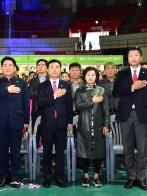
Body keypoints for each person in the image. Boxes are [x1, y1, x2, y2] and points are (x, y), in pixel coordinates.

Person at [112, 46, 147, 191]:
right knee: (128, 149)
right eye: (130, 55)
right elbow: (115, 91)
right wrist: (133, 86)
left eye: (136, 55)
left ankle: (141, 178)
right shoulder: (122, 73)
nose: (133, 57)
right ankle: (131, 177)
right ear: (128, 58)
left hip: (143, 115)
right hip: (126, 115)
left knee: (142, 148)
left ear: (141, 57)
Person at [0, 56, 29, 188]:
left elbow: (26, 103)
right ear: (1, 68)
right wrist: (6, 90)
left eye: (10, 65)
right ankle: (4, 176)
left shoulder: (22, 82)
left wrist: (26, 121)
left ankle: (15, 177)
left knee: (16, 151)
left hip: (17, 120)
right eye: (5, 65)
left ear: (15, 68)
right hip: (1, 121)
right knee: (3, 150)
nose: (7, 67)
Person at [37, 59, 72, 188]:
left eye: (57, 67)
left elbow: (69, 104)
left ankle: (59, 177)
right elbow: (40, 102)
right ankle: (47, 177)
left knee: (59, 152)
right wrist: (54, 95)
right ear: (47, 69)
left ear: (60, 69)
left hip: (62, 123)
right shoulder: (43, 85)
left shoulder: (66, 85)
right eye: (51, 67)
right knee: (46, 151)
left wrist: (69, 121)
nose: (54, 69)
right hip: (47, 123)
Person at [76, 66, 109, 188]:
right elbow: (78, 106)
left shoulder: (102, 90)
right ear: (84, 77)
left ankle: (96, 176)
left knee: (98, 152)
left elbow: (106, 110)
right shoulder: (80, 91)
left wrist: (106, 125)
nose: (90, 77)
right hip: (84, 126)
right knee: (84, 151)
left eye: (93, 74)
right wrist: (92, 101)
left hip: (99, 126)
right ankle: (85, 176)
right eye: (88, 74)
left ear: (97, 77)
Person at [29, 59, 49, 149]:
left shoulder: (51, 79)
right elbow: (30, 94)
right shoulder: (33, 81)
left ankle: (48, 155)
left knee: (48, 134)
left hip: (49, 109)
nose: (40, 66)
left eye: (43, 64)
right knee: (36, 133)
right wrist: (42, 92)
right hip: (37, 109)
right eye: (38, 65)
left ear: (47, 67)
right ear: (36, 67)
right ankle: (35, 155)